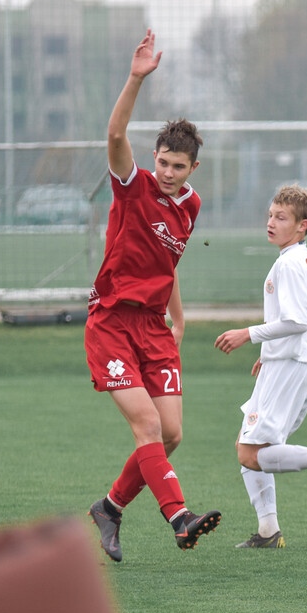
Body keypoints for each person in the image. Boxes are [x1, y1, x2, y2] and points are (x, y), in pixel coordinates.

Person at [86, 30, 221, 562]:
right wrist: (137, 77)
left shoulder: (190, 208)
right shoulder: (132, 184)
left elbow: (169, 263)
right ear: (155, 158)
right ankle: (179, 516)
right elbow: (115, 132)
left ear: (192, 169)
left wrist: (178, 319)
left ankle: (110, 508)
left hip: (154, 329)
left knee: (169, 434)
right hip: (113, 323)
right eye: (162, 162)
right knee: (145, 425)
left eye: (177, 167)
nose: (166, 174)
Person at [215, 185, 307, 549]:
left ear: (302, 226)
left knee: (250, 452)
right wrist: (266, 357)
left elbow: (295, 320)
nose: (271, 223)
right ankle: (268, 531)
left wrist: (247, 334)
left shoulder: (291, 263)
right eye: (270, 215)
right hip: (288, 362)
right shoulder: (299, 258)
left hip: (293, 364)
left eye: (281, 218)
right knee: (250, 446)